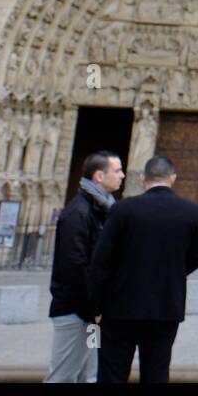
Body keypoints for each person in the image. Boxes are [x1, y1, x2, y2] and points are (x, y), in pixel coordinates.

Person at [88, 156, 198, 383]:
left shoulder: (123, 209)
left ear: (143, 178)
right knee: (156, 375)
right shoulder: (190, 211)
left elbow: (100, 261)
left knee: (112, 374)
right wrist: (172, 273)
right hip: (165, 308)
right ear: (173, 178)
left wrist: (96, 305)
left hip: (120, 308)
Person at [46, 152, 124, 382]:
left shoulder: (102, 210)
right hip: (76, 312)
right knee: (63, 376)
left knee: (90, 375)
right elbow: (74, 266)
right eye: (117, 170)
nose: (123, 175)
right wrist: (94, 306)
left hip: (92, 315)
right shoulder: (78, 212)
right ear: (100, 176)